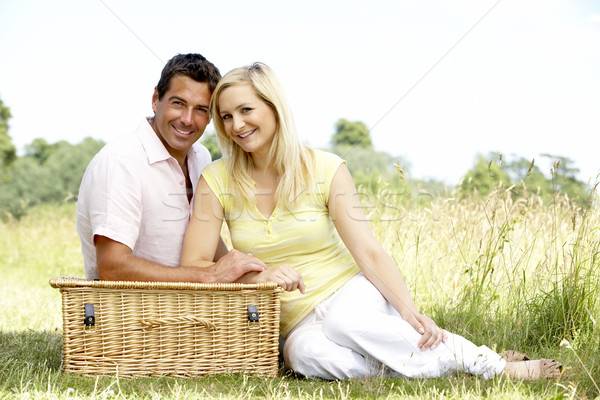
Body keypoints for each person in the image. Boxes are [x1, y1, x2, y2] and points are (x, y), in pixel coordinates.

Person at [180, 62, 563, 381]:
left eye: (246, 110)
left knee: (344, 325)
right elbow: (195, 265)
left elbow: (367, 250)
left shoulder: (325, 168)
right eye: (226, 116)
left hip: (350, 292)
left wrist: (407, 311)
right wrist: (256, 279)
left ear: (274, 108)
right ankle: (427, 365)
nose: (235, 125)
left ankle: (489, 365)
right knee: (302, 355)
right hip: (295, 320)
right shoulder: (217, 178)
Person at [77, 53, 267, 283]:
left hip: (190, 308)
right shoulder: (120, 162)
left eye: (201, 109)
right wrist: (205, 276)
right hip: (129, 312)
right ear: (156, 99)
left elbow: (207, 242)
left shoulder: (201, 158)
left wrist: (243, 271)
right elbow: (113, 267)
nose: (187, 119)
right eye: (178, 103)